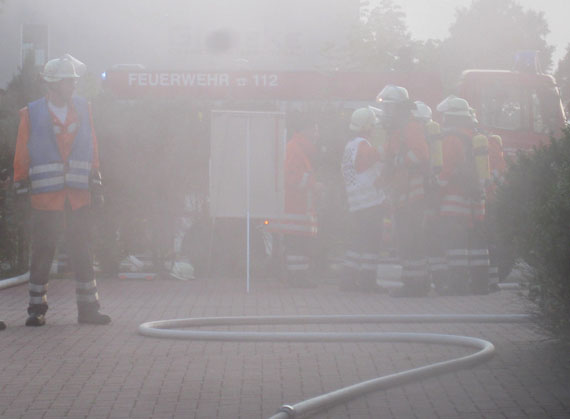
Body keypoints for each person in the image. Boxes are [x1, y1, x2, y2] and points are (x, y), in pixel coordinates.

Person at [12, 54, 111, 326]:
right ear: (53, 85)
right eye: (69, 82)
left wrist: (96, 181)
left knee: (82, 250)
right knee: (43, 251)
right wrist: (20, 185)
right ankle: (36, 309)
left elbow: (92, 146)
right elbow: (22, 152)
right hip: (46, 197)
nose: (74, 87)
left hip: (78, 195)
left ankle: (88, 308)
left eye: (74, 81)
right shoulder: (31, 113)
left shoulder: (83, 108)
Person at [377, 85, 431, 297]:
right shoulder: (397, 131)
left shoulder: (411, 127)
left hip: (413, 197)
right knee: (406, 242)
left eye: (389, 107)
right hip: (403, 197)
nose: (386, 112)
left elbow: (421, 154)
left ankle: (415, 285)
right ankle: (412, 282)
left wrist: (399, 161)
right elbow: (390, 158)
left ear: (400, 108)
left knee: (412, 241)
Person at [435, 95, 491, 295]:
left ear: (450, 117)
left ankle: (457, 285)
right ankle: (480, 284)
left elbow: (447, 167)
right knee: (476, 246)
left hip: (455, 199)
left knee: (456, 245)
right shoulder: (474, 136)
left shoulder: (451, 138)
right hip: (475, 200)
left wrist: (436, 185)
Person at [267, 114, 321, 287]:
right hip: (293, 208)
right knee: (296, 246)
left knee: (299, 246)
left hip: (297, 208)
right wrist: (314, 184)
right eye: (315, 128)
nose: (317, 133)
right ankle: (297, 278)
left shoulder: (297, 148)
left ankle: (299, 277)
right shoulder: (294, 149)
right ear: (306, 130)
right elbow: (291, 177)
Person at [340, 108, 386, 292]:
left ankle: (348, 280)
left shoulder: (350, 146)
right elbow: (373, 159)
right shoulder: (363, 145)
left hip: (357, 204)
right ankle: (368, 282)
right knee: (371, 245)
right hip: (370, 203)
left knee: (357, 243)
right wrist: (389, 147)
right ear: (368, 127)